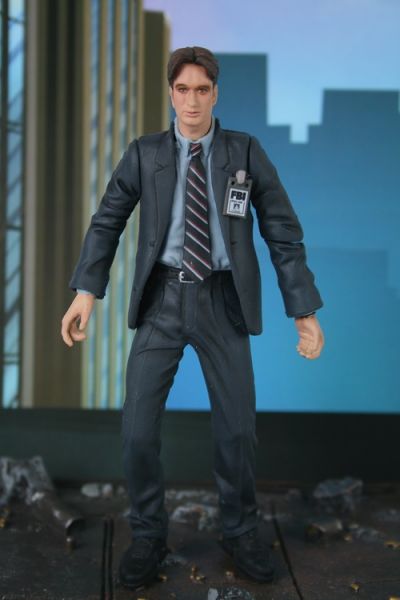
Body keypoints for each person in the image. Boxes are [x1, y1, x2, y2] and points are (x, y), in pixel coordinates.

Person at [61, 46, 324, 590]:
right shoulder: (145, 154)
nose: (192, 101)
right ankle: (148, 534)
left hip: (222, 301)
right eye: (182, 89)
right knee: (137, 430)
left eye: (202, 90)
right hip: (162, 299)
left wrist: (303, 309)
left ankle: (240, 531)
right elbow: (107, 220)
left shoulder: (243, 152)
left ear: (215, 94)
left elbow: (282, 231)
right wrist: (87, 291)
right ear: (171, 93)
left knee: (238, 431)